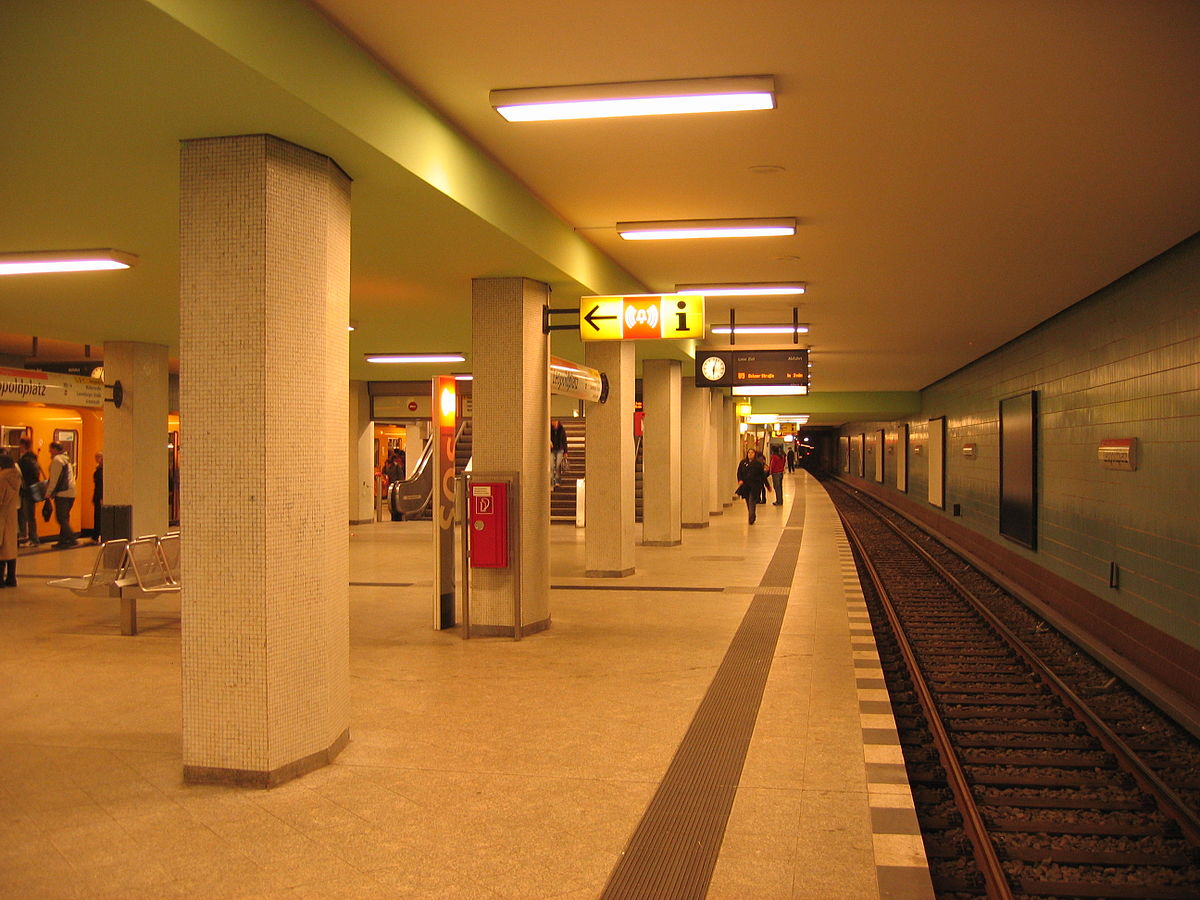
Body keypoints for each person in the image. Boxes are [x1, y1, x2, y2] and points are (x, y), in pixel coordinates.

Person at [45, 442, 78, 548]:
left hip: (62, 493)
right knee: (65, 517)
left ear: (55, 449)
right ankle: (63, 540)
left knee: (61, 518)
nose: (49, 452)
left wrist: (48, 493)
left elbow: (54, 479)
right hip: (71, 492)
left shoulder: (57, 460)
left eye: (50, 449)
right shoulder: (66, 460)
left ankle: (72, 539)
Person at [734, 447, 770, 525]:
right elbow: (739, 472)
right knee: (748, 501)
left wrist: (767, 485)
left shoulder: (757, 464)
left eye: (752, 453)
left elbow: (762, 476)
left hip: (755, 486)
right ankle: (752, 514)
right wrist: (740, 480)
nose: (750, 454)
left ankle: (751, 517)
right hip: (745, 486)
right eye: (749, 453)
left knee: (751, 501)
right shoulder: (743, 463)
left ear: (755, 454)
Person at [16, 438, 42, 547]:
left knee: (28, 515)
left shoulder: (24, 461)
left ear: (23, 446)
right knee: (30, 515)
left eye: (20, 446)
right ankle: (31, 537)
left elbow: (22, 476)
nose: (19, 448)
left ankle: (33, 539)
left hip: (27, 491)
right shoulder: (33, 458)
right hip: (32, 490)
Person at [0, 453, 20, 586]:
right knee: (11, 547)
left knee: (1, 548)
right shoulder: (16, 476)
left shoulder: (2, 478)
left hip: (2, 516)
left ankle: (0, 579)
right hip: (12, 514)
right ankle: (11, 577)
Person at [550, 419, 568, 488]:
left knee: (557, 465)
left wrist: (566, 452)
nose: (553, 423)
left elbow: (564, 440)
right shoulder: (549, 429)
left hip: (560, 449)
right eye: (552, 421)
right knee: (551, 466)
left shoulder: (561, 429)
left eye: (554, 421)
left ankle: (557, 481)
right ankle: (552, 482)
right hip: (552, 449)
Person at [92, 452, 104, 542]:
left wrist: (100, 497)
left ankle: (96, 534)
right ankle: (96, 534)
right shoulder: (99, 470)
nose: (97, 459)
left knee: (98, 515)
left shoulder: (101, 471)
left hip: (99, 495)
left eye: (99, 457)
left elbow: (100, 485)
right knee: (97, 515)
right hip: (98, 495)